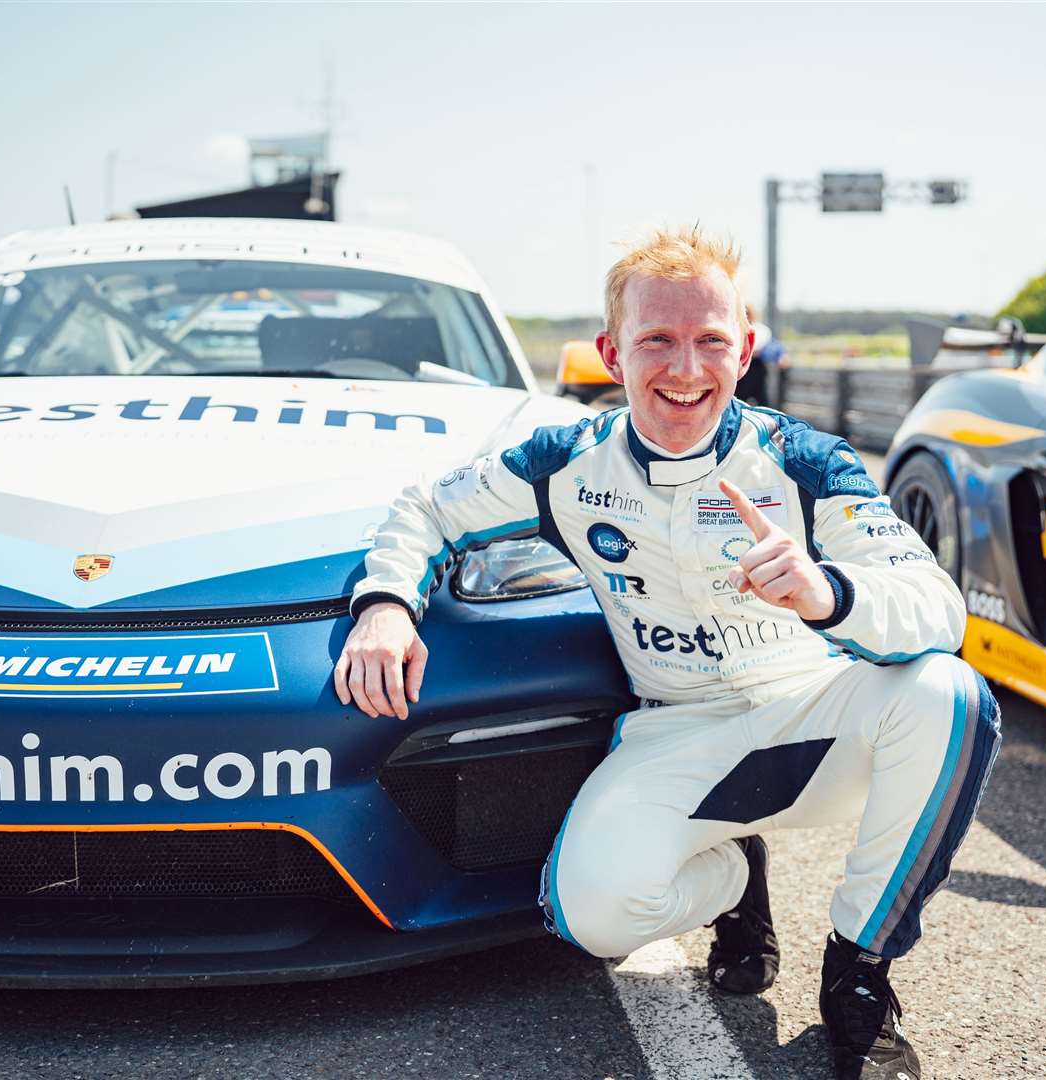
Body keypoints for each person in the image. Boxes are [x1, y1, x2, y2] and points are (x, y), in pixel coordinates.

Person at [334, 226, 999, 1080]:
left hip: (814, 715)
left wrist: (825, 591)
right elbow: (425, 508)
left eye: (709, 341)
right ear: (613, 352)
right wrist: (386, 603)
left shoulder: (804, 460)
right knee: (591, 919)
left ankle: (859, 973)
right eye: (657, 341)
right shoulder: (564, 462)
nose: (684, 369)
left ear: (745, 349)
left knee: (947, 693)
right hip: (677, 729)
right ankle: (729, 879)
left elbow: (937, 611)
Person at [735, 301, 788, 406]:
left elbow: (773, 346)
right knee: (741, 400)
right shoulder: (737, 328)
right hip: (743, 367)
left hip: (754, 367)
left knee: (759, 400)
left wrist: (782, 355)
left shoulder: (760, 329)